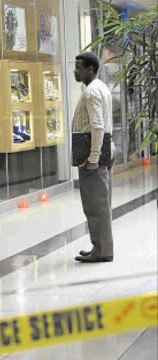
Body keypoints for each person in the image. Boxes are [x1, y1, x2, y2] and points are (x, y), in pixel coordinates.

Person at [72, 52, 114, 263]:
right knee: (101, 202)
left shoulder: (91, 92)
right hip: (103, 146)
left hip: (94, 151)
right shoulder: (100, 87)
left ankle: (102, 251)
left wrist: (93, 157)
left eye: (79, 67)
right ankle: (100, 246)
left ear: (90, 69)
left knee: (95, 204)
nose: (75, 70)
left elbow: (97, 126)